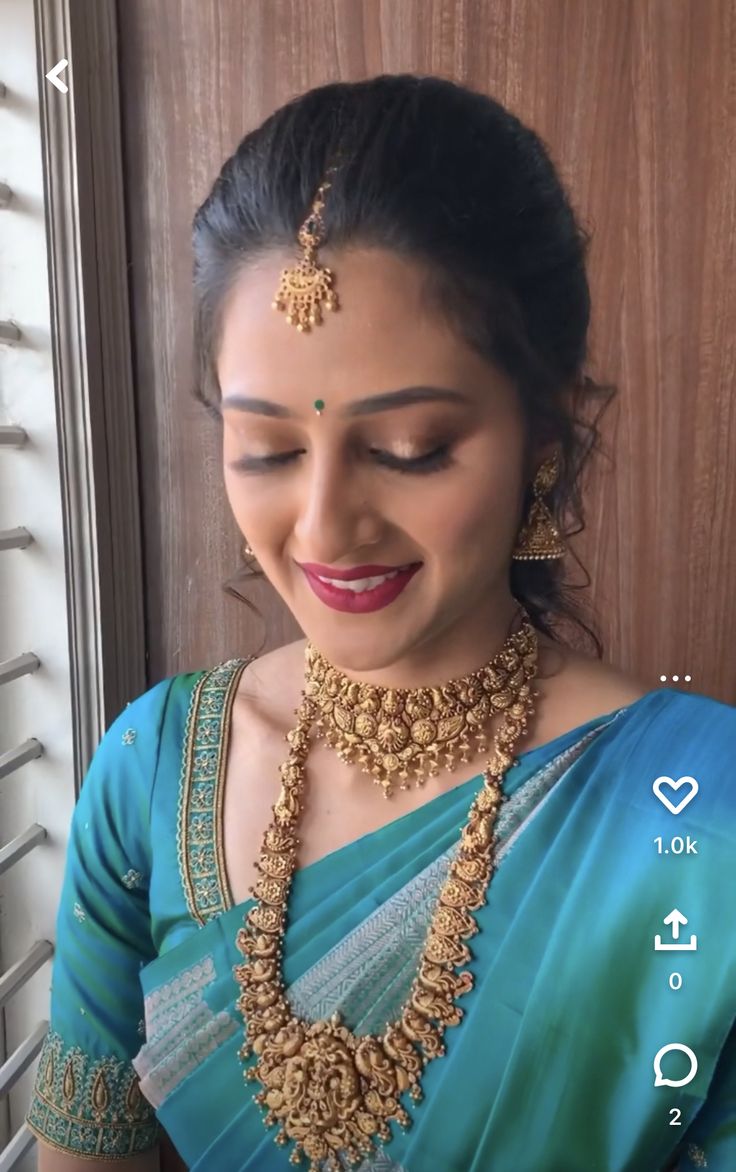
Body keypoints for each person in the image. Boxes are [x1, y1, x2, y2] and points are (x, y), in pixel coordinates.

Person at [25, 74, 735, 1172]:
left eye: (408, 448)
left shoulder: (699, 815)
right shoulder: (151, 771)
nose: (323, 525)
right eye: (266, 449)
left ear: (541, 438)